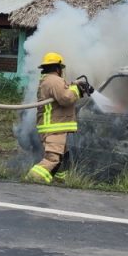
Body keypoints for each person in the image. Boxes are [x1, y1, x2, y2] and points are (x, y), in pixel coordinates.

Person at [25, 52, 88, 184]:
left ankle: (59, 181)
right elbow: (66, 98)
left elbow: (61, 92)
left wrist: (74, 85)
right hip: (54, 126)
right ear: (58, 68)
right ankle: (31, 180)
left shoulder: (48, 80)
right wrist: (77, 90)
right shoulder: (54, 80)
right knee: (52, 158)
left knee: (63, 157)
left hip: (53, 125)